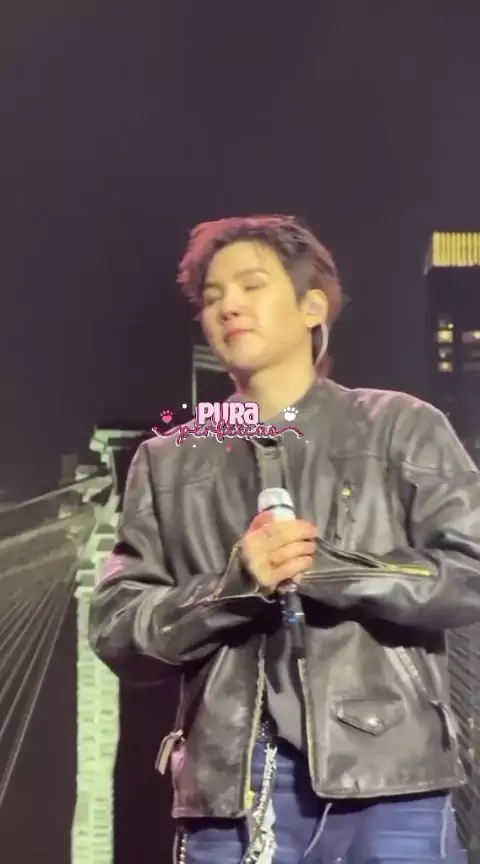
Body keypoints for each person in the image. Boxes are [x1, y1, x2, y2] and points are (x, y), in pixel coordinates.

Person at [88, 214, 480, 864]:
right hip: (227, 793)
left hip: (390, 781)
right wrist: (233, 587)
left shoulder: (399, 427)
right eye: (212, 296)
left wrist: (327, 570)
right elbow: (118, 628)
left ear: (312, 307)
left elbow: (469, 570)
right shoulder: (167, 461)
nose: (228, 306)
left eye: (251, 285)